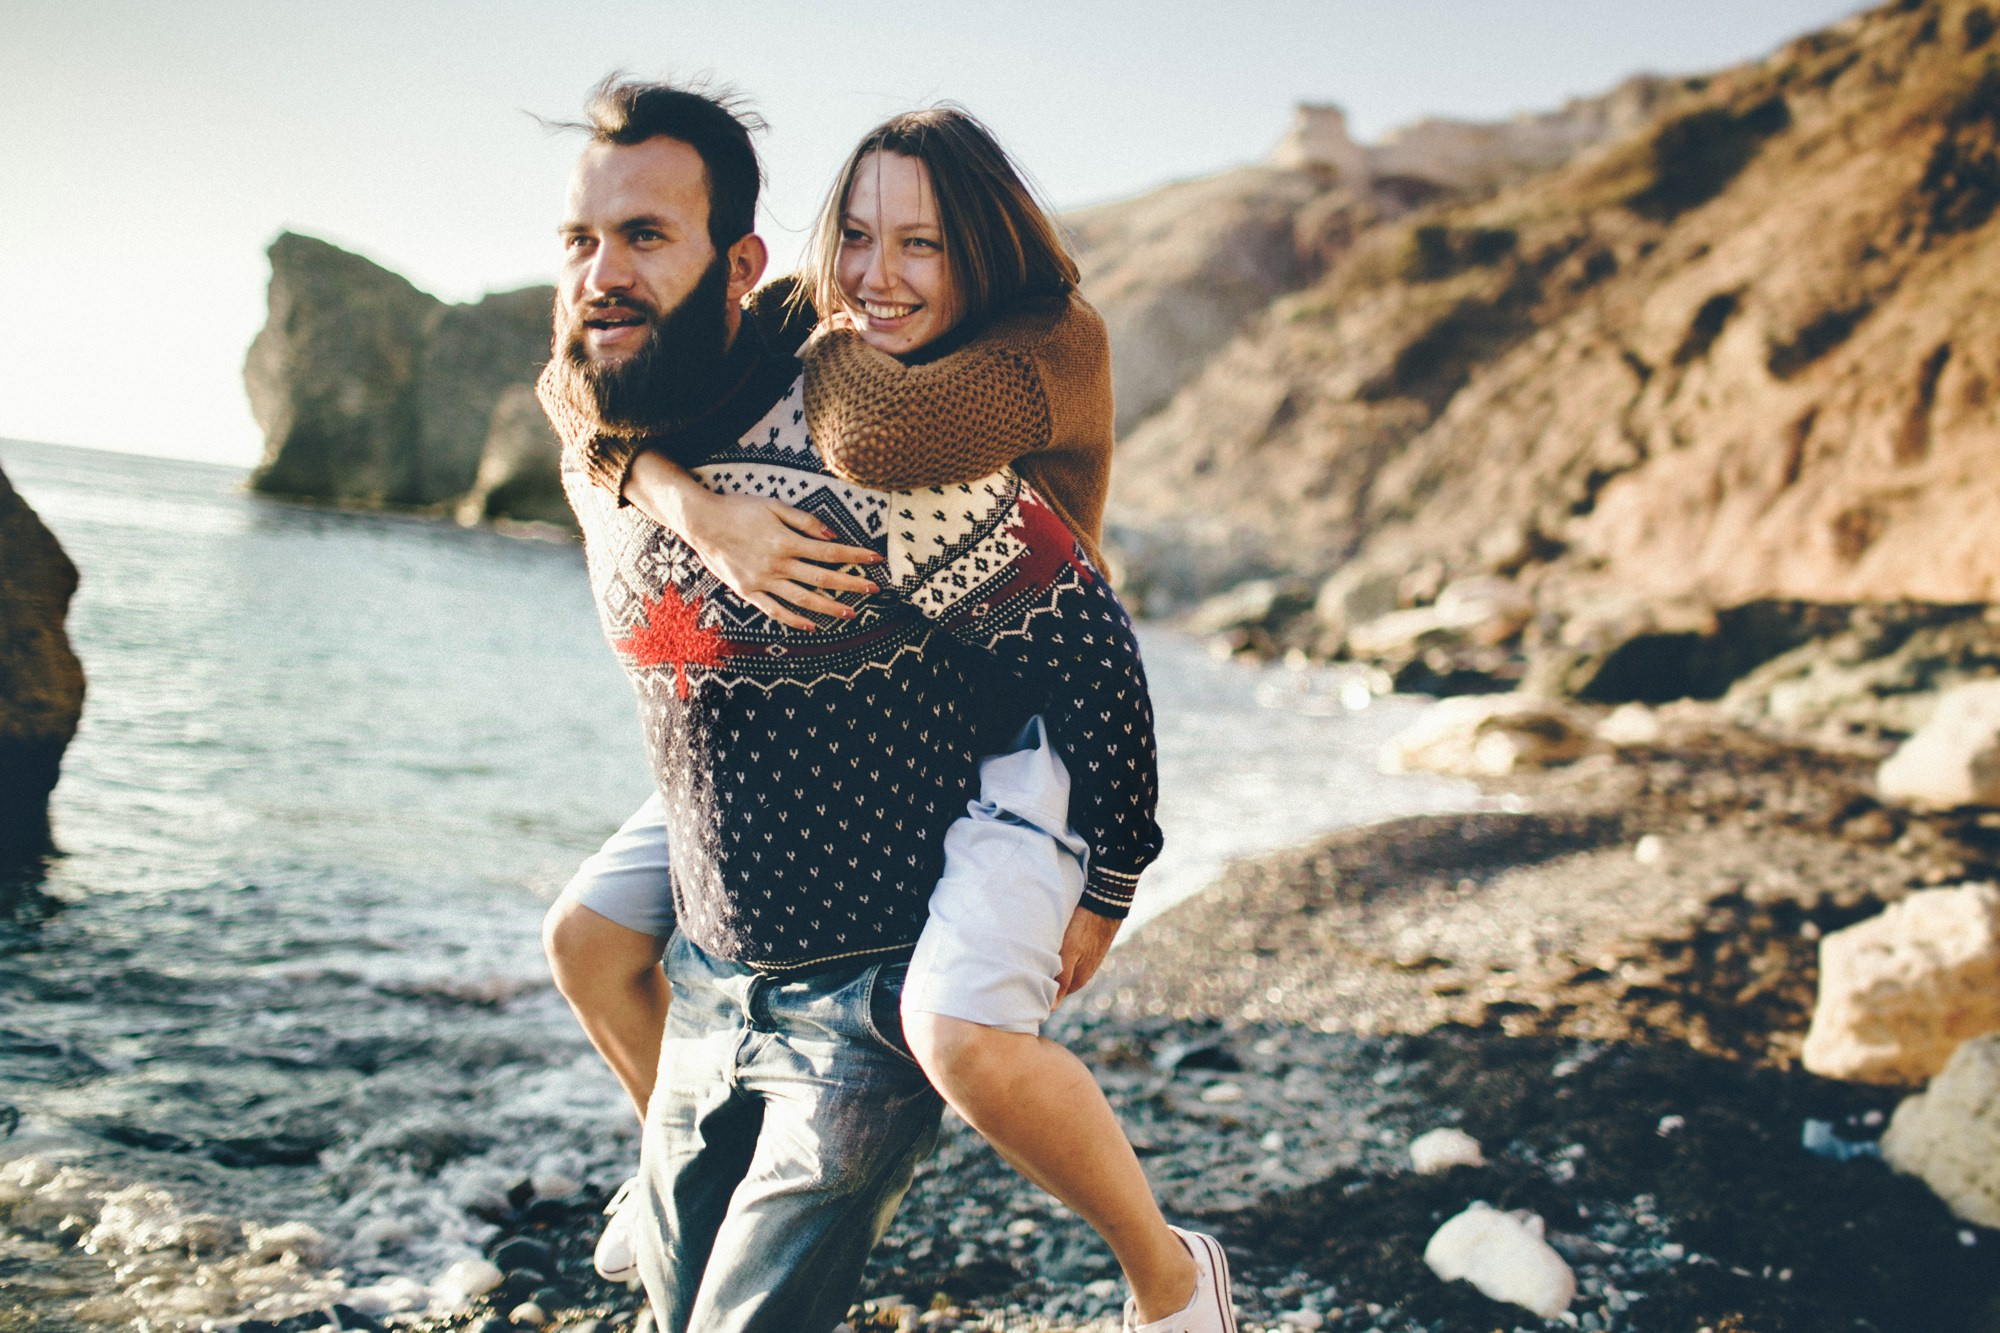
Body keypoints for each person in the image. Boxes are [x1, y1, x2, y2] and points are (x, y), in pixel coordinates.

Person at [537, 79, 1228, 1333]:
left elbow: (895, 456)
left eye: (920, 244)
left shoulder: (1019, 360)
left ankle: (1167, 1281)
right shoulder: (715, 363)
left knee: (956, 1027)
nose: (877, 271)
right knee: (586, 938)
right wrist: (694, 506)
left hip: (1012, 728)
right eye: (854, 236)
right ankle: (665, 1179)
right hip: (786, 792)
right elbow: (570, 393)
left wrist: (1110, 882)